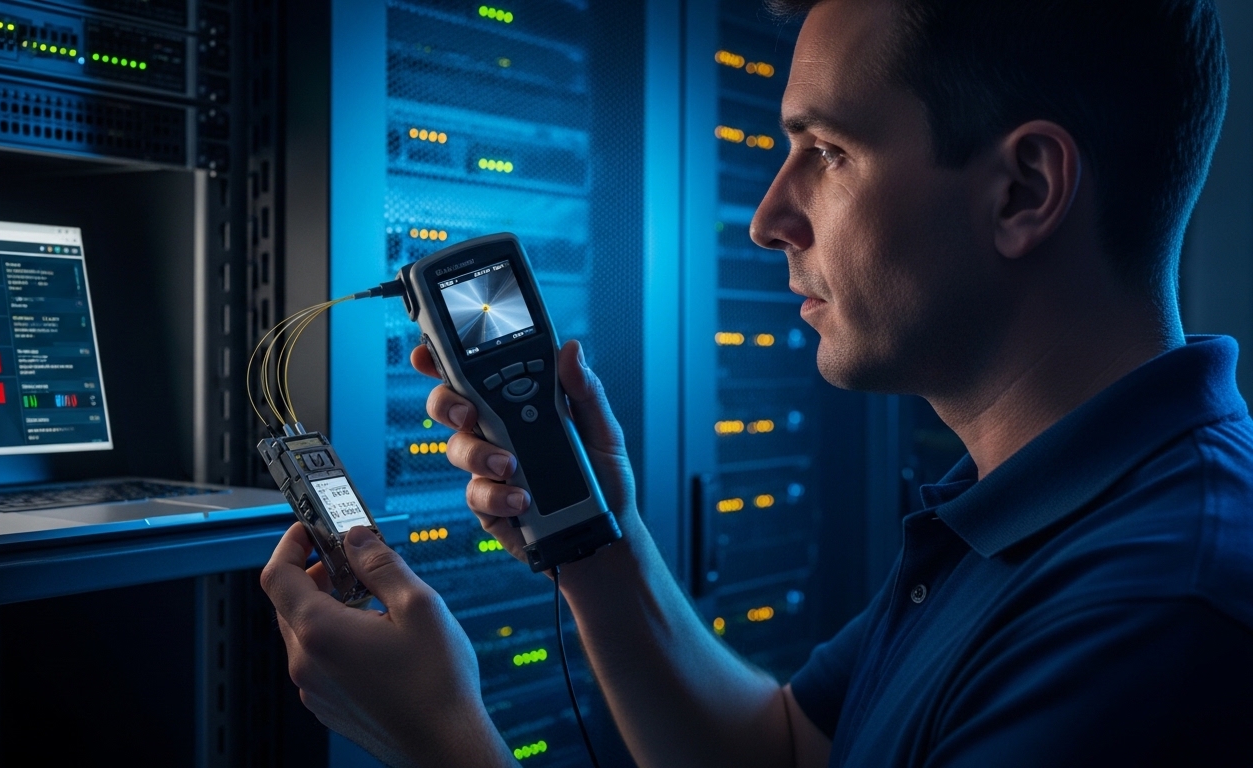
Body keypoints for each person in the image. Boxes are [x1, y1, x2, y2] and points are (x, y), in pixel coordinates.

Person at [261, 0, 1253, 765]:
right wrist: (599, 543)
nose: (767, 216)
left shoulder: (1151, 619)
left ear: (1022, 189)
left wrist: (439, 742)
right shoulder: (1024, 514)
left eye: (827, 152)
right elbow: (782, 755)